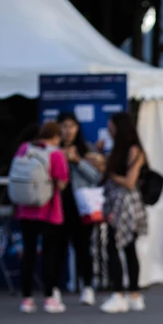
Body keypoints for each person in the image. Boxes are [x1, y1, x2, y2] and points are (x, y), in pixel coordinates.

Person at [15, 122, 69, 314]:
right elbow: (62, 183)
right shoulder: (56, 154)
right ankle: (49, 298)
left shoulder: (24, 148)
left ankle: (26, 299)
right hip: (49, 210)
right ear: (56, 136)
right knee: (49, 255)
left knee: (28, 254)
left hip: (25, 208)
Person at [99, 112, 147, 314]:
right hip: (119, 203)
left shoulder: (134, 150)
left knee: (117, 247)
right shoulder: (119, 149)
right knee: (125, 247)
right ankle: (133, 294)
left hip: (125, 204)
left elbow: (129, 181)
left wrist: (108, 172)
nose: (109, 130)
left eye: (111, 126)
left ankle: (121, 293)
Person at [57, 113, 104, 306]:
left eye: (71, 126)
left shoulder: (87, 150)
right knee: (57, 248)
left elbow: (96, 177)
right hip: (58, 206)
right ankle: (55, 289)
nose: (68, 130)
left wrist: (77, 161)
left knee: (83, 247)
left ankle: (87, 287)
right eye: (64, 125)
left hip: (82, 205)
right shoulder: (52, 150)